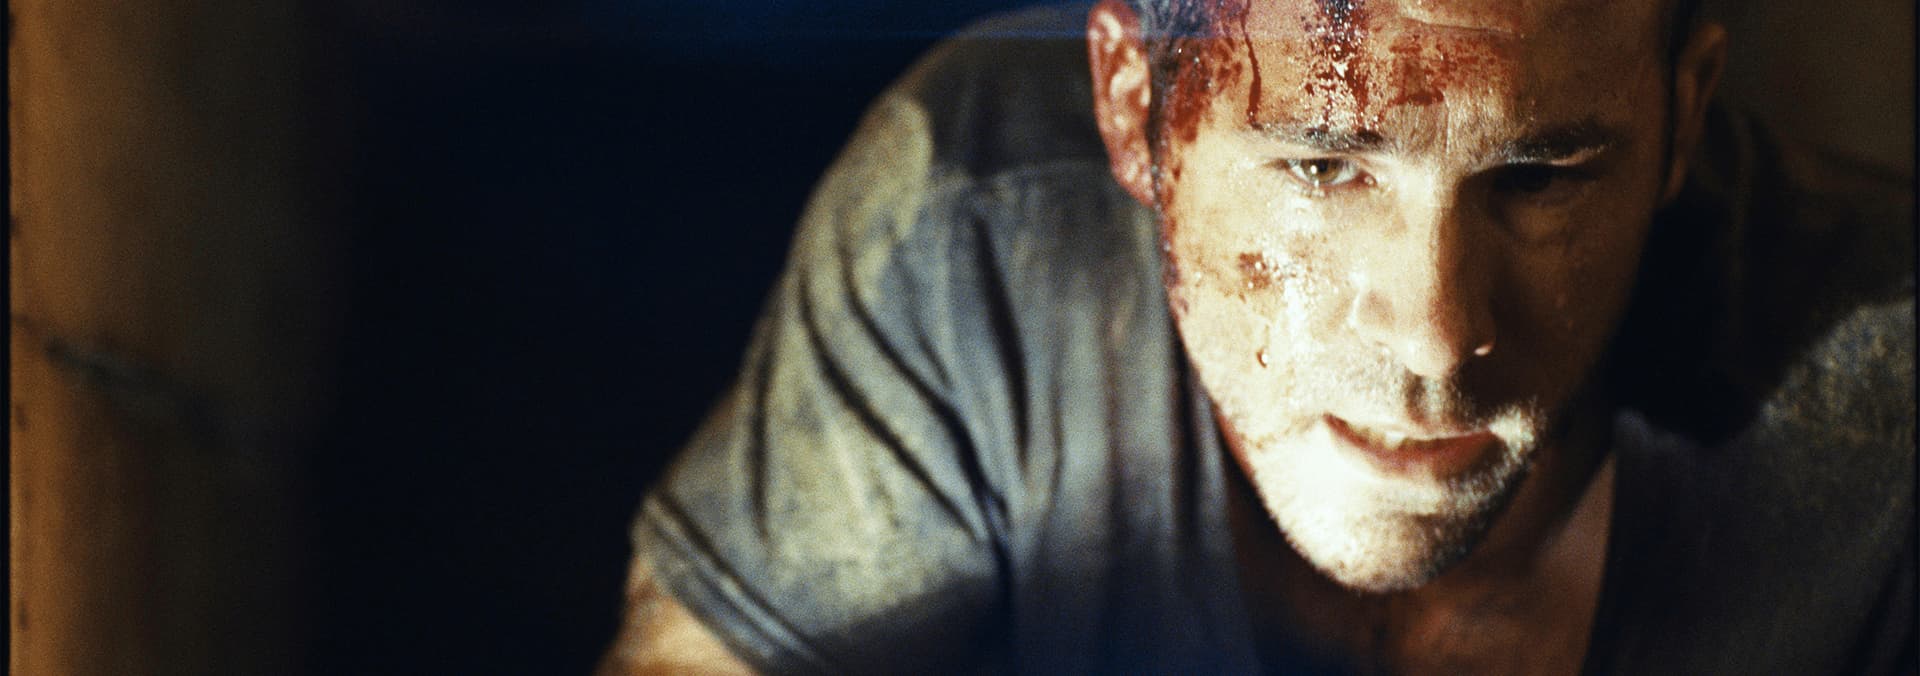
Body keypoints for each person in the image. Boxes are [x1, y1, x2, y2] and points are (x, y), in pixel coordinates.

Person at [599, 0, 1915, 672]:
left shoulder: (1889, 384)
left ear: (1685, 117)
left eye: (1540, 178)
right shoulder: (979, 231)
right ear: (1132, 103)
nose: (1437, 338)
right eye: (1323, 167)